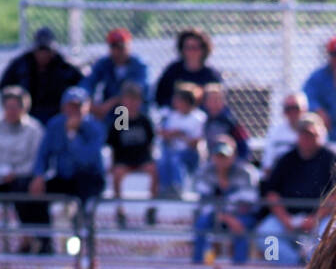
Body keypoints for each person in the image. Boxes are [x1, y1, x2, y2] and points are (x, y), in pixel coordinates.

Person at [259, 113, 336, 268]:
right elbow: (272, 194)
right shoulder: (287, 159)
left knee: (330, 234)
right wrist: (286, 220)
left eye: (311, 134)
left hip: (321, 218)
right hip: (290, 218)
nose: (306, 139)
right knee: (267, 236)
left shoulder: (332, 158)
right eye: (303, 134)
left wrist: (315, 218)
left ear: (320, 134)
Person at [29, 86, 105, 243]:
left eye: (78, 106)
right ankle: (44, 242)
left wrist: (72, 135)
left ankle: (83, 243)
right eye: (70, 106)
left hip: (89, 179)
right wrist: (39, 176)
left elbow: (85, 159)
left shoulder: (96, 128)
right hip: (64, 176)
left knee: (84, 201)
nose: (73, 111)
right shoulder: (55, 125)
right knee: (34, 195)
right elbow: (43, 153)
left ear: (87, 107)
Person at [187, 137, 257, 269]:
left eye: (225, 156)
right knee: (201, 227)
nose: (221, 160)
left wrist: (227, 214)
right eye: (218, 156)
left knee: (241, 229)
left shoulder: (246, 172)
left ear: (233, 155)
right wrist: (224, 215)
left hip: (241, 216)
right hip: (217, 216)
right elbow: (204, 200)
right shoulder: (205, 171)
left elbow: (248, 203)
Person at [1, 26, 82, 127]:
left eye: (46, 50)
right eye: (40, 50)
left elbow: (82, 89)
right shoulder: (21, 64)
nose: (43, 54)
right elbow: (4, 86)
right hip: (26, 115)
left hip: (57, 116)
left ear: (53, 51)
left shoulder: (66, 66)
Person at [0, 86, 45, 250]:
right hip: (2, 177)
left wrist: (16, 173)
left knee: (25, 189)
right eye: (8, 107)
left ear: (24, 107)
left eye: (15, 107)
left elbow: (37, 159)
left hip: (23, 178)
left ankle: (28, 237)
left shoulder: (35, 130)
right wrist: (4, 172)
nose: (11, 111)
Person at [106, 82, 156, 217]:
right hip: (124, 159)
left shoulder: (144, 121)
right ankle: (119, 208)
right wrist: (113, 164)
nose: (132, 103)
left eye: (135, 99)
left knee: (153, 169)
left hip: (141, 158)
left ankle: (151, 207)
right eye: (128, 99)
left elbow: (151, 143)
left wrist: (150, 158)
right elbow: (113, 145)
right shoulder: (119, 121)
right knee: (117, 174)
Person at [84, 27, 150, 122]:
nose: (118, 51)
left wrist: (111, 102)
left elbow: (134, 90)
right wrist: (86, 101)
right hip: (110, 114)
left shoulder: (140, 65)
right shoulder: (104, 63)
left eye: (121, 47)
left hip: (134, 114)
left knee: (125, 111)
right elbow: (88, 83)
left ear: (129, 46)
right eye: (114, 47)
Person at [157, 83, 206, 197]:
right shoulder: (172, 116)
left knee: (176, 159)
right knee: (163, 160)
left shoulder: (199, 118)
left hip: (191, 154)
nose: (174, 102)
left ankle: (178, 189)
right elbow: (163, 134)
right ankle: (164, 189)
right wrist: (171, 134)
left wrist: (180, 135)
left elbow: (195, 143)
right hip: (172, 150)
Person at [154, 28, 221, 110]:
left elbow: (217, 104)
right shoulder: (172, 71)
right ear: (182, 49)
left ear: (204, 49)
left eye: (196, 47)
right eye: (188, 47)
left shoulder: (211, 74)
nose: (192, 51)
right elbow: (160, 98)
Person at [261, 92, 307, 175]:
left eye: (295, 108)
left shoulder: (314, 131)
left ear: (304, 109)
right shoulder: (275, 133)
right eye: (288, 108)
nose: (292, 112)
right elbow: (267, 165)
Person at [202, 82, 249, 161]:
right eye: (211, 99)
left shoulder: (231, 121)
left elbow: (243, 146)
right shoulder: (201, 119)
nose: (215, 102)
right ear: (205, 102)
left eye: (218, 99)